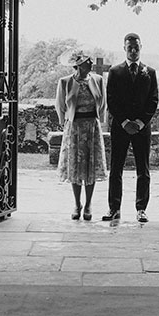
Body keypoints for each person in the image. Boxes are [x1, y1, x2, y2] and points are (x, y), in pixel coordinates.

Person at [103, 32, 159, 223]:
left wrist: (141, 123)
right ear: (124, 48)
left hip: (142, 128)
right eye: (129, 47)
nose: (133, 51)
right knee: (116, 168)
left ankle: (141, 209)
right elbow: (111, 100)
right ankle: (114, 208)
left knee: (143, 169)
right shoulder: (115, 72)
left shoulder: (149, 72)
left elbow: (153, 101)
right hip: (121, 127)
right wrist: (125, 122)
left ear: (141, 47)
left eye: (136, 47)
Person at [54, 49, 108, 220]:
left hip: (92, 126)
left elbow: (103, 103)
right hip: (74, 127)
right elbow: (60, 105)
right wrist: (66, 122)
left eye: (91, 60)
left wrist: (99, 120)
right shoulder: (65, 82)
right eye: (87, 61)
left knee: (91, 166)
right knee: (75, 166)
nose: (91, 63)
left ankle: (89, 204)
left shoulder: (98, 80)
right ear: (78, 65)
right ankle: (77, 204)